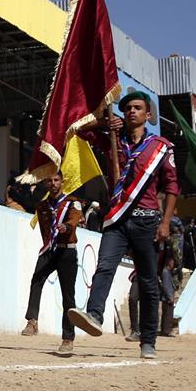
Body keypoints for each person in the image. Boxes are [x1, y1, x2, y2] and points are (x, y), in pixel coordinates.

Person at [67, 90, 179, 360]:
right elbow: (78, 129)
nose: (131, 111)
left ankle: (148, 340)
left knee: (148, 282)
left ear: (148, 115)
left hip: (146, 221)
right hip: (116, 219)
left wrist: (165, 223)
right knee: (105, 266)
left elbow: (172, 187)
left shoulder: (161, 147)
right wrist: (104, 123)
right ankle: (94, 315)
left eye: (138, 108)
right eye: (127, 108)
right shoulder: (113, 140)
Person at [20, 170, 82, 354]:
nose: (53, 184)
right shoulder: (42, 206)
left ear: (62, 182)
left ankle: (68, 338)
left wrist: (67, 227)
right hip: (49, 250)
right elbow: (44, 228)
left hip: (67, 251)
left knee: (68, 296)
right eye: (49, 181)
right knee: (36, 279)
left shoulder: (72, 202)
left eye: (56, 180)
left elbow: (74, 219)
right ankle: (32, 321)